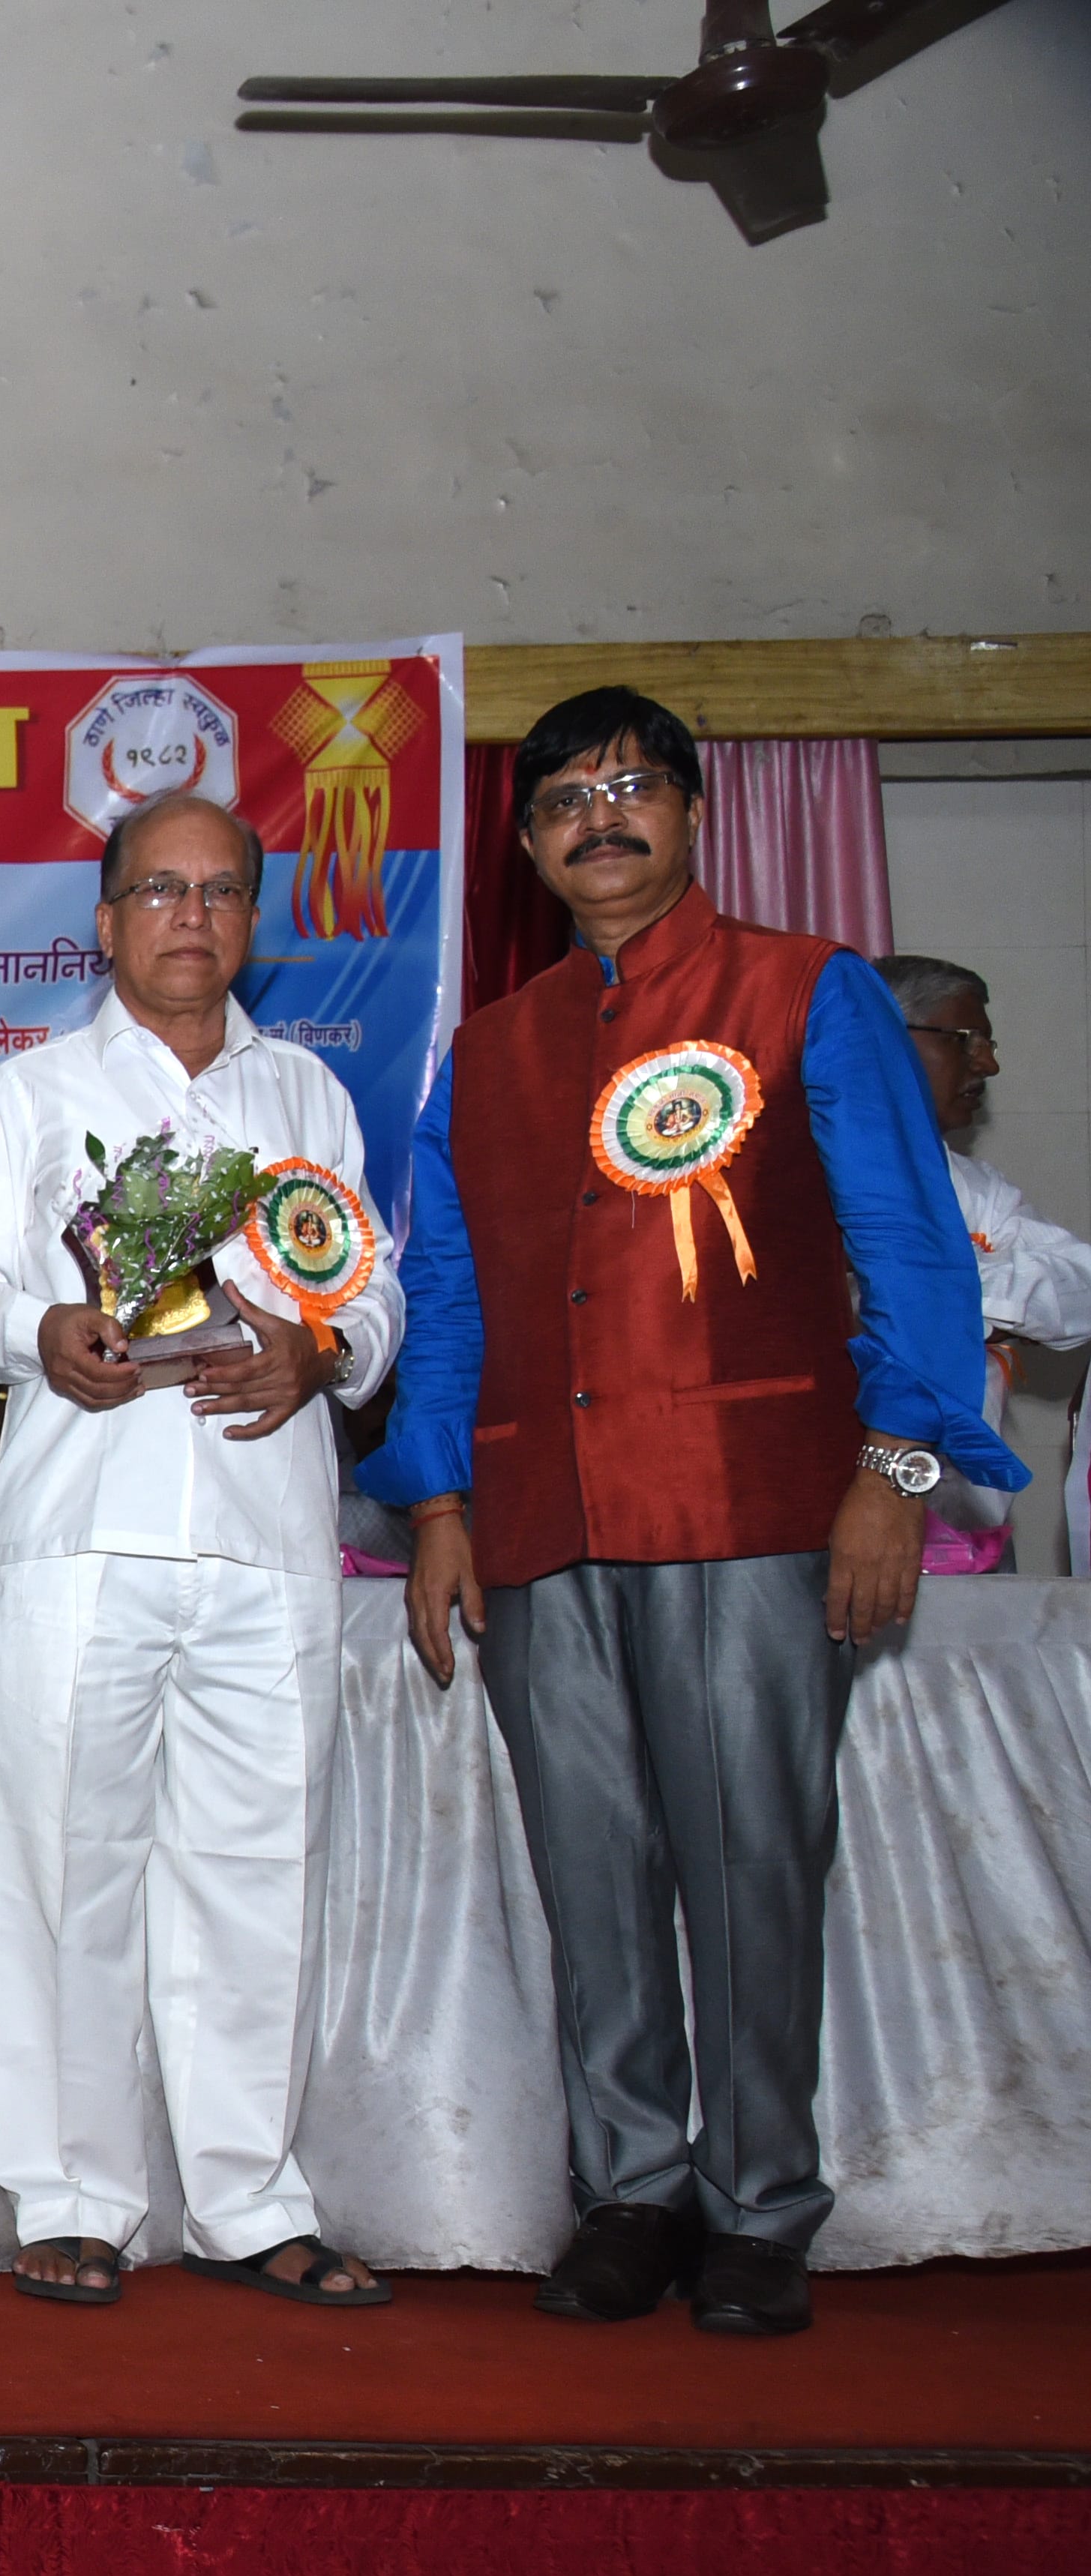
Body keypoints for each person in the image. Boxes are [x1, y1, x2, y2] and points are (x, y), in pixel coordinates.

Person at [371, 687, 1022, 2340]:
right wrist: (435, 1496)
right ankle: (632, 2190)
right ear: (528, 849)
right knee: (588, 1872)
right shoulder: (489, 1050)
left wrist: (893, 1477)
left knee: (749, 1861)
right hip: (539, 1518)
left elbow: (911, 1250)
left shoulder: (805, 989)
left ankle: (759, 2204)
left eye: (631, 786)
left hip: (746, 1504)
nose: (599, 818)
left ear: (690, 811)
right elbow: (449, 1294)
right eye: (563, 801)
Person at [0, 791, 400, 2310]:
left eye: (217, 891)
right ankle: (72, 2196)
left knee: (258, 1871)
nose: (188, 917)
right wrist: (37, 1331)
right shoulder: (32, 1090)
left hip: (267, 1531)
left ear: (252, 918)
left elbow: (372, 1286)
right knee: (61, 1868)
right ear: (104, 918)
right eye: (157, 890)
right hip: (81, 1531)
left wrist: (323, 1350)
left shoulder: (306, 1097)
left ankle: (249, 2199)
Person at [884, 955, 1091, 1565]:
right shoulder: (795, 1178)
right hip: (827, 1531)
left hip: (970, 1533)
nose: (988, 1064)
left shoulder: (977, 1188)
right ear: (882, 1039)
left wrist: (957, 1301)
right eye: (965, 1039)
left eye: (988, 1043)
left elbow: (1081, 1284)